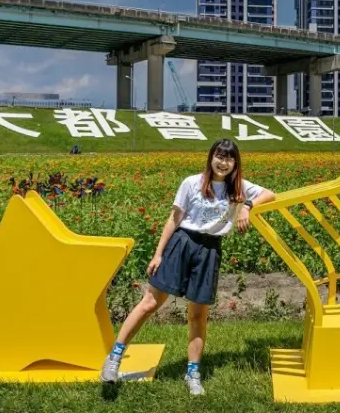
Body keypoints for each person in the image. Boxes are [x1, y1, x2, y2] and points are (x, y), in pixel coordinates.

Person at [99, 138, 276, 395]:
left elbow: (269, 194)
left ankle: (193, 373)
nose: (223, 162)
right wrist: (158, 254)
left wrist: (247, 206)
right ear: (210, 157)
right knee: (150, 303)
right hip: (182, 243)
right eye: (219, 156)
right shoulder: (192, 182)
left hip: (210, 250)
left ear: (235, 163)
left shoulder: (237, 187)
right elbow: (174, 220)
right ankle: (114, 359)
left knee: (198, 315)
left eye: (229, 158)